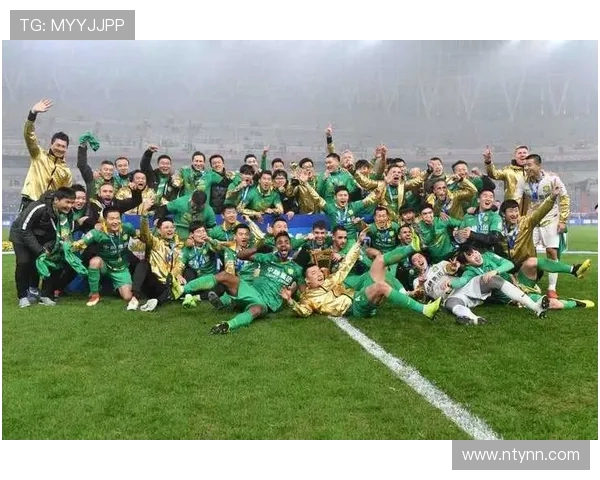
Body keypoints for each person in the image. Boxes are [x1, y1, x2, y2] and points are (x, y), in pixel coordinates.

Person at [283, 234, 441, 320]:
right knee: (381, 286)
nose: (318, 274)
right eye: (313, 273)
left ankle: (412, 247)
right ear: (307, 281)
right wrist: (290, 301)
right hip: (353, 308)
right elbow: (304, 311)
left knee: (379, 261)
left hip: (358, 296)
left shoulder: (329, 280)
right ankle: (424, 309)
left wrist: (357, 244)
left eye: (318, 271)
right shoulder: (307, 298)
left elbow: (345, 266)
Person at [181, 232, 304, 334]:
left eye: (286, 242)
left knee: (256, 310)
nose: (283, 245)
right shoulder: (268, 258)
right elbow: (240, 255)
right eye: (280, 243)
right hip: (250, 290)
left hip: (265, 303)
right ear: (276, 246)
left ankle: (227, 325)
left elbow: (304, 293)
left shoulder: (297, 269)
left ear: (291, 246)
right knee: (224, 275)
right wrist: (257, 247)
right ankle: (182, 289)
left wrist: (291, 299)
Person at [9, 187, 78, 307]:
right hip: (21, 237)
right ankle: (22, 296)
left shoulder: (69, 213)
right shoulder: (38, 207)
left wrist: (55, 247)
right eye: (67, 202)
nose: (70, 206)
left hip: (46, 239)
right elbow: (24, 229)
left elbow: (68, 231)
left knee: (55, 260)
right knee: (24, 262)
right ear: (56, 200)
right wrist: (40, 250)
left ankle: (46, 295)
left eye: (72, 202)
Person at [515, 153, 570, 298]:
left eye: (529, 165)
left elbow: (564, 198)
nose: (527, 168)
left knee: (551, 251)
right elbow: (516, 199)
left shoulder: (552, 179)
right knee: (527, 253)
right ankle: (529, 283)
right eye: (525, 166)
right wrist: (515, 216)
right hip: (532, 220)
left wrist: (563, 220)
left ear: (539, 165)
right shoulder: (522, 181)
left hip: (551, 218)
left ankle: (552, 288)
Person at [71, 207, 140, 308]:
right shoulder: (97, 232)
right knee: (95, 262)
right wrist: (69, 245)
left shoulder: (127, 228)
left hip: (121, 268)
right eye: (111, 219)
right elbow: (80, 244)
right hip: (104, 265)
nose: (115, 222)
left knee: (127, 297)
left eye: (117, 218)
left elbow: (140, 236)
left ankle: (116, 289)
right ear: (104, 220)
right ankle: (94, 295)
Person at [20, 98, 72, 212]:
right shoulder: (38, 155)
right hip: (30, 200)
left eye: (63, 146)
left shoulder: (66, 172)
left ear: (66, 149)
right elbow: (29, 135)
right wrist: (33, 113)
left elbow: (65, 194)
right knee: (22, 225)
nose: (60, 149)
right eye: (58, 145)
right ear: (51, 144)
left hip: (49, 208)